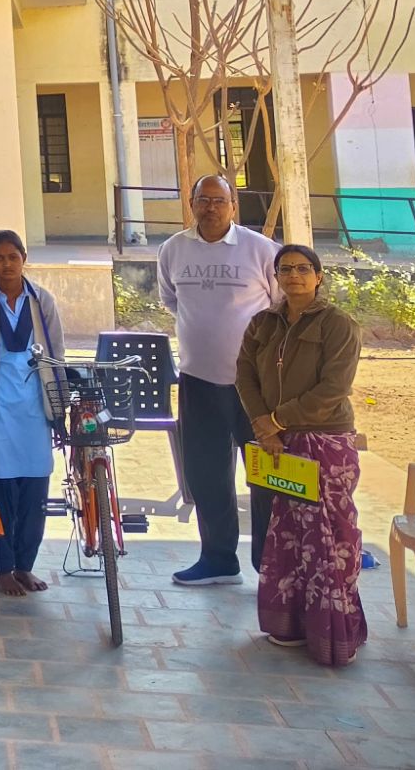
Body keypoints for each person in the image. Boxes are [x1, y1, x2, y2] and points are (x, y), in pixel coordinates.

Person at [237, 243, 366, 665]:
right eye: (286, 269)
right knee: (289, 536)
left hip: (325, 440)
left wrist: (277, 420)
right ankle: (290, 626)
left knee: (330, 539)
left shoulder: (337, 324)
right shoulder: (263, 323)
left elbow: (334, 388)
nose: (294, 275)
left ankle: (334, 633)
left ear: (319, 276)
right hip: (277, 442)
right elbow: (244, 375)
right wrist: (263, 425)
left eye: (303, 268)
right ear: (275, 277)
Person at [159, 173, 278, 587]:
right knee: (206, 473)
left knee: (264, 474)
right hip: (197, 380)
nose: (210, 208)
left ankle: (269, 563)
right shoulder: (173, 249)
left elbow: (280, 305)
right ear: (191, 204)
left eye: (219, 200)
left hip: (254, 387)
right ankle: (218, 559)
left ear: (233, 206)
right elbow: (172, 300)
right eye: (203, 200)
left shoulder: (260, 250)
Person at [0, 229, 65, 597]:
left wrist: (59, 409)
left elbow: (56, 355)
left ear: (24, 259)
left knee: (34, 491)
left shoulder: (41, 300)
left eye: (13, 257)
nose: (6, 264)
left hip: (35, 408)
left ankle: (24, 566)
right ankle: (2, 569)